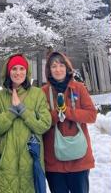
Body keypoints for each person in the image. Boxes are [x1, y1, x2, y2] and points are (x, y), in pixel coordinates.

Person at [0, 54, 51, 193]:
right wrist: (11, 112)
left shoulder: (37, 94)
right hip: (5, 166)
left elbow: (44, 124)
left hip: (30, 165)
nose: (18, 72)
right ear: (8, 72)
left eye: (22, 68)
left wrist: (22, 110)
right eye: (14, 68)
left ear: (27, 72)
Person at [42, 51, 97, 193]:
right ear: (49, 70)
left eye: (61, 65)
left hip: (79, 159)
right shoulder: (43, 92)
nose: (58, 69)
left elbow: (91, 115)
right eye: (54, 66)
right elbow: (40, 122)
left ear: (67, 68)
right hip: (53, 160)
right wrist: (55, 115)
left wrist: (67, 112)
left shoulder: (78, 88)